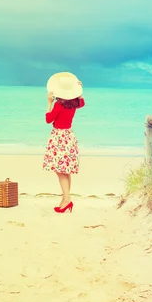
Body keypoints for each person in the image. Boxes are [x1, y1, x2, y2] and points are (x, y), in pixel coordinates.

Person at [43, 72, 85, 213]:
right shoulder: (74, 103)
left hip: (59, 137)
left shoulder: (59, 105)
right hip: (69, 136)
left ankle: (66, 200)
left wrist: (49, 103)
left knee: (60, 171)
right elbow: (82, 102)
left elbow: (49, 120)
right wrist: (79, 93)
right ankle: (65, 199)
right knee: (65, 171)